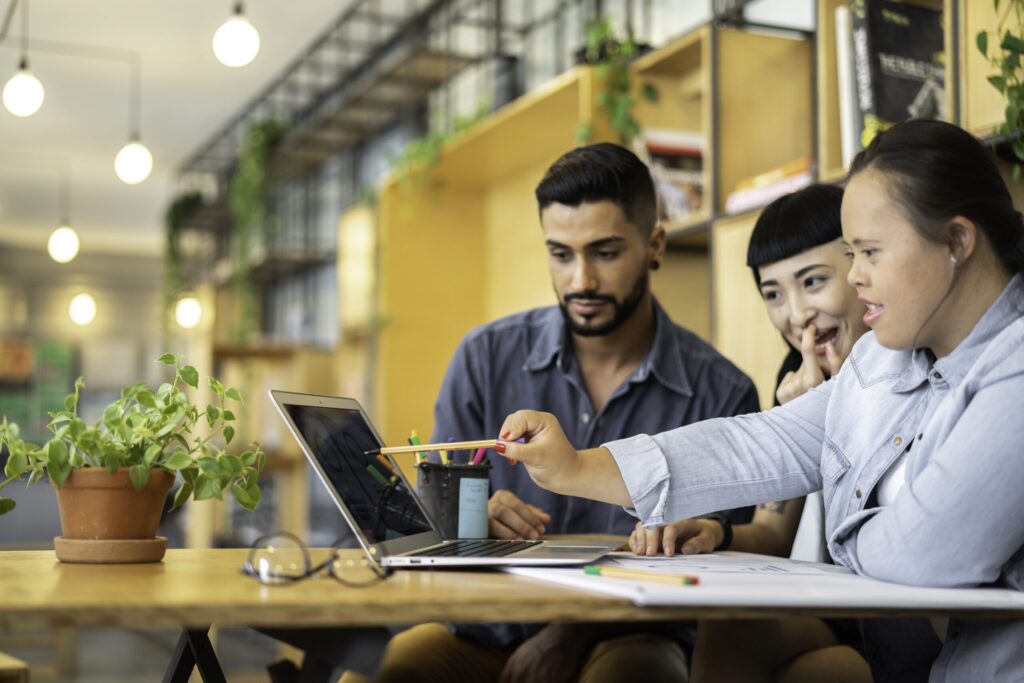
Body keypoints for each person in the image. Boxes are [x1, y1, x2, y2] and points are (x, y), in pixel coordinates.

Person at [493, 119, 1024, 682]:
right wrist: (577, 467)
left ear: (958, 242)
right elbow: (759, 442)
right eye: (849, 253)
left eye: (870, 252)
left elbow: (925, 555)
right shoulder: (886, 358)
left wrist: (845, 535)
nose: (856, 276)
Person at [352, 143, 760, 683]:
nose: (581, 281)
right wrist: (471, 516)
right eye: (561, 254)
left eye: (606, 253)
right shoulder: (484, 357)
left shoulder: (722, 393)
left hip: (629, 636)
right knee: (387, 671)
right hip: (485, 630)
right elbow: (433, 526)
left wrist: (573, 633)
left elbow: (723, 562)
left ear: (654, 244)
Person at [629, 184, 872, 683]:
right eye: (773, 294)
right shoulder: (797, 370)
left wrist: (827, 418)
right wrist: (716, 531)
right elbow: (775, 530)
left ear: (862, 265)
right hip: (841, 607)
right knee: (729, 623)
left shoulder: (902, 358)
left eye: (813, 281)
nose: (796, 313)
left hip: (905, 613)